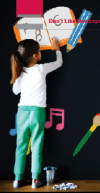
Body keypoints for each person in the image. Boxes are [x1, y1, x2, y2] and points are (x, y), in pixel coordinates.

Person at [11, 38, 62, 188]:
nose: (40, 53)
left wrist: (17, 76)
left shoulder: (20, 72)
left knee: (21, 146)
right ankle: (35, 180)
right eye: (39, 51)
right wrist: (57, 49)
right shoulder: (41, 68)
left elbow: (15, 92)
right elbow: (59, 63)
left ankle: (17, 180)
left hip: (22, 112)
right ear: (35, 56)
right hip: (37, 112)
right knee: (36, 145)